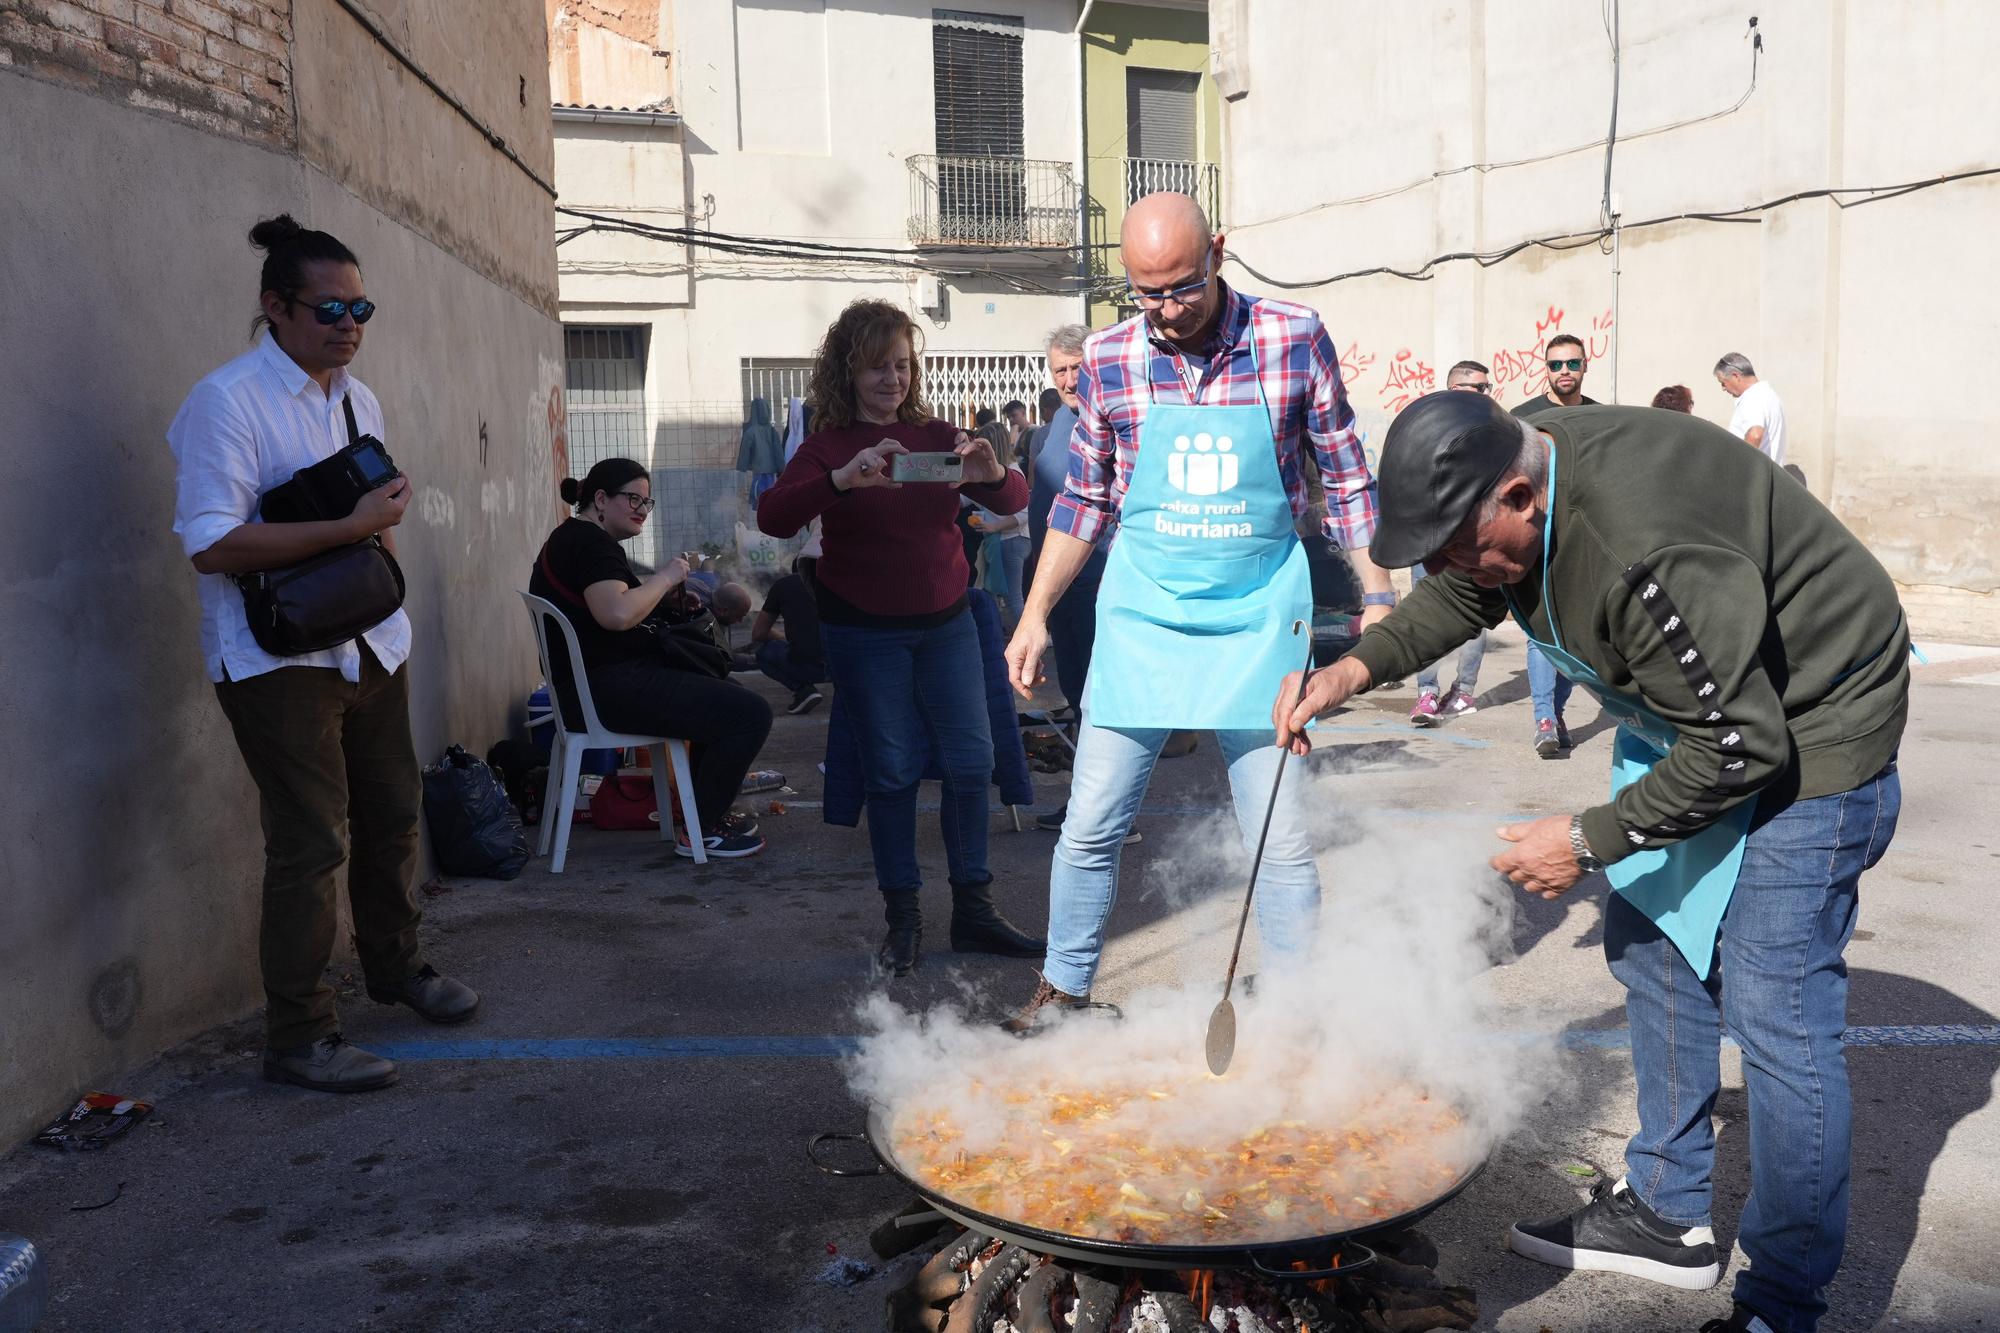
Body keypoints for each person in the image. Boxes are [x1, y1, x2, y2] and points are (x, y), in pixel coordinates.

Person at [1275, 391, 1908, 1333]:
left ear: (1522, 497)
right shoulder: (1517, 463)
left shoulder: (1645, 552)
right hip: (1700, 714)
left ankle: (1783, 1298)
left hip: (1811, 728)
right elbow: (1466, 588)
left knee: (1777, 1010)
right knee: (1650, 945)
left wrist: (1584, 839)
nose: (1451, 565)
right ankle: (1665, 1210)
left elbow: (1742, 747)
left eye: (1459, 539)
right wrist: (1354, 668)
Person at [1001, 191, 1397, 1028]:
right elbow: (1084, 499)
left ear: (1218, 252)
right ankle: (1062, 988)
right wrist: (1035, 611)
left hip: (1260, 615)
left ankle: (1295, 1006)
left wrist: (1382, 592)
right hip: (1144, 614)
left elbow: (1347, 473)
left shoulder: (1292, 335)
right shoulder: (1109, 357)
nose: (1168, 311)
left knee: (1278, 836)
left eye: (1182, 287)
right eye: (1148, 293)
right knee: (1090, 825)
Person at [167, 214, 479, 1094]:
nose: (349, 323)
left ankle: (397, 967)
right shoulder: (226, 402)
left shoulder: (357, 395)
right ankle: (300, 1034)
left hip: (371, 640)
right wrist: (349, 524)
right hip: (279, 662)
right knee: (309, 845)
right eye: (330, 307)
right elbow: (210, 544)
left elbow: (364, 514)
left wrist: (378, 511)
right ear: (275, 307)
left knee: (393, 816)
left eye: (362, 307)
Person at [757, 299, 1044, 976]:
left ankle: (973, 908)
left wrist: (992, 473)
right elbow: (774, 515)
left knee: (973, 764)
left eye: (904, 366)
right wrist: (840, 479)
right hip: (864, 635)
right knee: (890, 773)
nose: (893, 379)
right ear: (848, 370)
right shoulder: (827, 446)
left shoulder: (940, 435)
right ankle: (904, 917)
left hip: (946, 625)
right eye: (878, 366)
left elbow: (1013, 500)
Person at [529, 458, 773, 859]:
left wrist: (658, 599)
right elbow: (617, 614)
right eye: (633, 500)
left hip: (590, 690)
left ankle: (701, 817)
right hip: (605, 691)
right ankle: (703, 830)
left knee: (726, 693)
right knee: (751, 714)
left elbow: (610, 603)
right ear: (601, 499)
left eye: (647, 502)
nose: (642, 510)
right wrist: (667, 578)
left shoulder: (574, 538)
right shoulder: (591, 545)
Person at [1512, 334, 1595, 756]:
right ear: (1545, 369)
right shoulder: (1523, 419)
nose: (1564, 372)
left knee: (1575, 636)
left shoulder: (1600, 418)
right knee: (1541, 633)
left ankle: (1557, 710)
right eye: (1556, 365)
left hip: (1582, 543)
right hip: (1537, 539)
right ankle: (1544, 718)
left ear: (1585, 366)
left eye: (1572, 364)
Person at [1409, 360, 1493, 726]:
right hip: (1429, 538)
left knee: (1474, 616)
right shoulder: (1425, 427)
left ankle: (1463, 691)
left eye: (1487, 388)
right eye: (1481, 388)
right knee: (1424, 617)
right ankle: (1427, 692)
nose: (1487, 394)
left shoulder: (1493, 431)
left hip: (1476, 538)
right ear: (1459, 389)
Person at [752, 563, 826, 715]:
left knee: (764, 652)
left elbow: (759, 633)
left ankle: (803, 689)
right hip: (846, 664)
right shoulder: (843, 582)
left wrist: (787, 638)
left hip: (808, 665)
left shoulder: (784, 585)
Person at [1715, 353, 1787, 465]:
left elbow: (1755, 434)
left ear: (1735, 376)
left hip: (1756, 479)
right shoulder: (1769, 395)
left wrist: (1740, 470)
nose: (1723, 388)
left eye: (1723, 382)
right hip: (1769, 476)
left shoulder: (1753, 397)